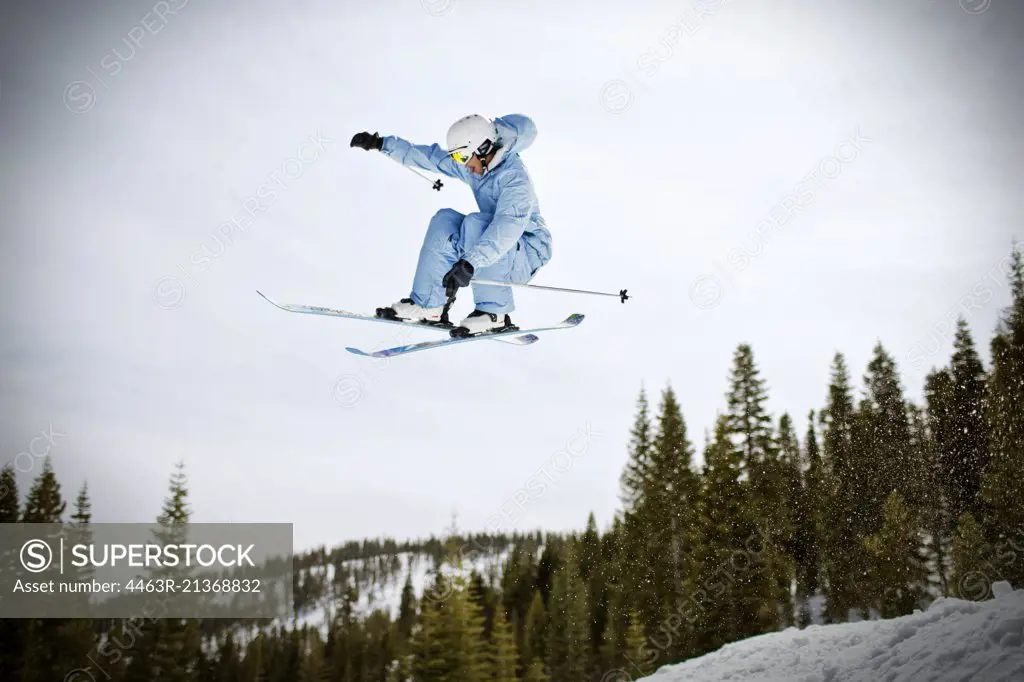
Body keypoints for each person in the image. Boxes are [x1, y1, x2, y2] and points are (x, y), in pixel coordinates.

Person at [349, 114, 552, 335]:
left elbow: (507, 226)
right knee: (444, 220)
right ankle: (429, 304)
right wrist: (382, 144)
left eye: (462, 157)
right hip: (494, 250)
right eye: (457, 157)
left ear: (483, 148)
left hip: (527, 251)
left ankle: (493, 314)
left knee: (477, 222)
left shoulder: (514, 178)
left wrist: (470, 263)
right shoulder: (478, 164)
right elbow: (433, 158)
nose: (463, 165)